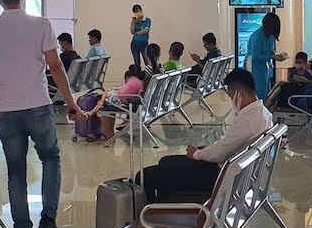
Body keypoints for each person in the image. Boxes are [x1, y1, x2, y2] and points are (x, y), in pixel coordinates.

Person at [0, 0, 81, 228]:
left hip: (5, 109)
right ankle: (48, 216)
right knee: (50, 158)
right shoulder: (41, 24)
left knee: (15, 170)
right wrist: (71, 101)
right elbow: (56, 67)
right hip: (38, 104)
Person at [137, 69, 273, 202]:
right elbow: (229, 145)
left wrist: (196, 154)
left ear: (239, 93)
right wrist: (206, 148)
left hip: (220, 176)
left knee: (145, 176)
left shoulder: (248, 119)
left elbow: (220, 153)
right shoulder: (263, 113)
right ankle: (165, 206)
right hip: (234, 170)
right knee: (166, 161)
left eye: (231, 96)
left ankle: (149, 216)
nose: (231, 100)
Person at [85, 65, 146, 141]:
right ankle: (107, 132)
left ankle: (107, 134)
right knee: (104, 98)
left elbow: (124, 90)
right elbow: (138, 94)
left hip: (118, 100)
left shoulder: (131, 79)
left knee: (103, 106)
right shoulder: (139, 83)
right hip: (121, 100)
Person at [246, 11, 284, 101]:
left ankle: (264, 110)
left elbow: (271, 51)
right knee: (258, 90)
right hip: (253, 66)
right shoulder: (257, 37)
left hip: (264, 66)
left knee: (266, 88)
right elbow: (256, 56)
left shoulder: (270, 36)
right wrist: (273, 57)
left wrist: (278, 56)